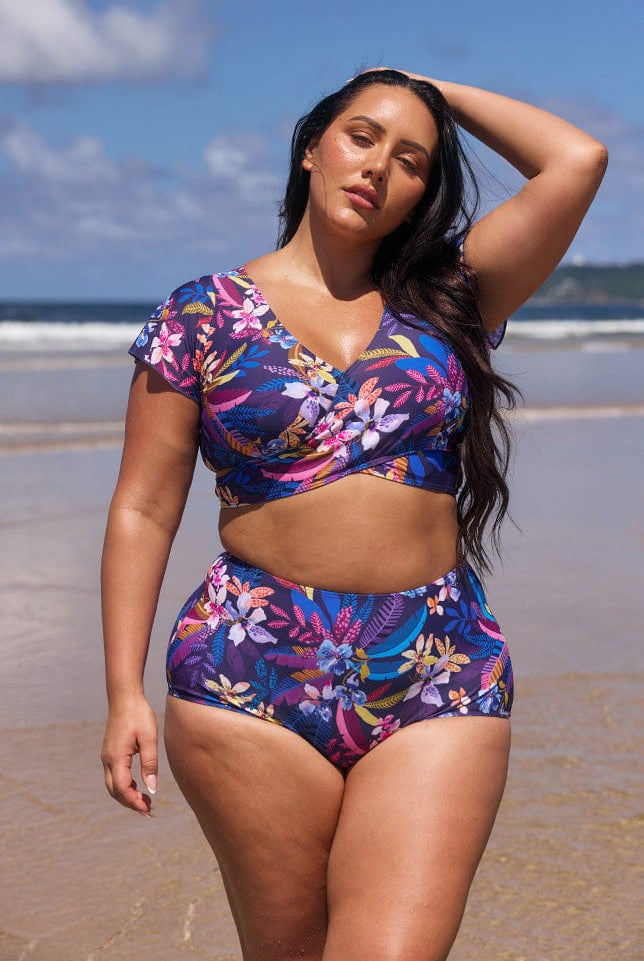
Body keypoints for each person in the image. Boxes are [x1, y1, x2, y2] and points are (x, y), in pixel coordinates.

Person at [100, 69, 607, 961]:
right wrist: (123, 691)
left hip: (436, 663)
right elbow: (144, 507)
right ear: (313, 146)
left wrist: (426, 86)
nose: (379, 166)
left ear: (422, 192)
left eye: (411, 159)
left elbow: (577, 158)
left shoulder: (453, 297)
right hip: (249, 671)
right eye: (362, 134)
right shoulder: (204, 313)